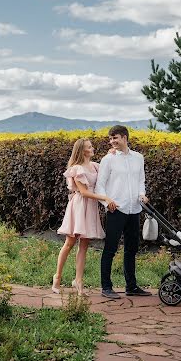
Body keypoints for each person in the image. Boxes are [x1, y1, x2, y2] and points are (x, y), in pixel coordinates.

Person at [54, 138, 116, 296]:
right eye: (89, 147)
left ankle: (78, 280)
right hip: (79, 206)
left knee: (84, 244)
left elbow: (106, 171)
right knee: (70, 242)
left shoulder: (95, 166)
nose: (92, 148)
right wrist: (105, 198)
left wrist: (110, 155)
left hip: (91, 207)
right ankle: (57, 277)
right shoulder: (76, 169)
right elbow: (84, 192)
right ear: (82, 151)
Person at [94, 125, 150, 299]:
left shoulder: (138, 158)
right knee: (110, 249)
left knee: (131, 249)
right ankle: (106, 287)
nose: (112, 141)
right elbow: (100, 185)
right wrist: (106, 202)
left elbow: (141, 180)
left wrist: (142, 195)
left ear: (125, 137)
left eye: (115, 138)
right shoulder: (108, 160)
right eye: (110, 139)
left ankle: (131, 286)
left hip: (135, 209)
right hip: (116, 209)